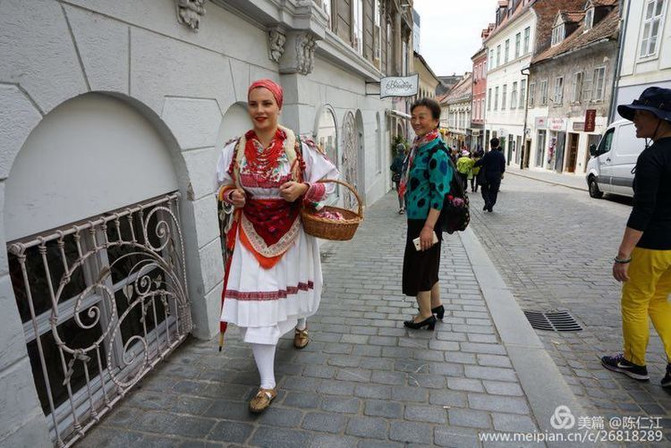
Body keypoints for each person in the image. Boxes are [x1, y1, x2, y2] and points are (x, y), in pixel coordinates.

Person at [215, 79, 339, 412]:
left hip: (292, 232)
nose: (259, 111)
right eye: (254, 104)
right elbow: (222, 186)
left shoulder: (300, 145)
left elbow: (330, 184)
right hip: (251, 234)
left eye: (266, 104)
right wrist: (233, 195)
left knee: (292, 295)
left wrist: (304, 190)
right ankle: (267, 384)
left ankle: (300, 324)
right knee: (259, 311)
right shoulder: (235, 148)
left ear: (278, 106)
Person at [600, 86, 671, 389]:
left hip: (653, 245)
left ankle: (634, 361)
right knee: (658, 301)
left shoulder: (652, 157)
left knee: (635, 301)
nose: (637, 120)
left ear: (662, 120)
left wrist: (623, 255)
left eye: (643, 114)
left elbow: (643, 210)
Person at [399, 98, 452, 330]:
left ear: (435, 121)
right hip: (419, 218)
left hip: (426, 221)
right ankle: (436, 305)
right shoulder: (420, 145)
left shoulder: (436, 151)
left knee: (419, 267)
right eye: (413, 117)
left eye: (422, 117)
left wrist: (428, 227)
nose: (416, 122)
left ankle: (424, 314)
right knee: (429, 265)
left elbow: (439, 193)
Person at [474, 137, 506, 212]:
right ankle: (491, 205)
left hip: (487, 175)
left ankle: (487, 201)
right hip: (496, 176)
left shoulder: (488, 154)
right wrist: (501, 173)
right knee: (494, 191)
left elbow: (482, 161)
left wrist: (475, 164)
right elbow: (503, 166)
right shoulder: (501, 155)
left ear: (491, 145)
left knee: (484, 189)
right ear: (498, 145)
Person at [390, 143, 407, 214]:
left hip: (398, 178)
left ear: (398, 150)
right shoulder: (406, 157)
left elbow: (392, 167)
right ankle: (406, 205)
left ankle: (401, 207)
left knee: (400, 192)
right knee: (405, 191)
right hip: (406, 177)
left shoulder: (396, 158)